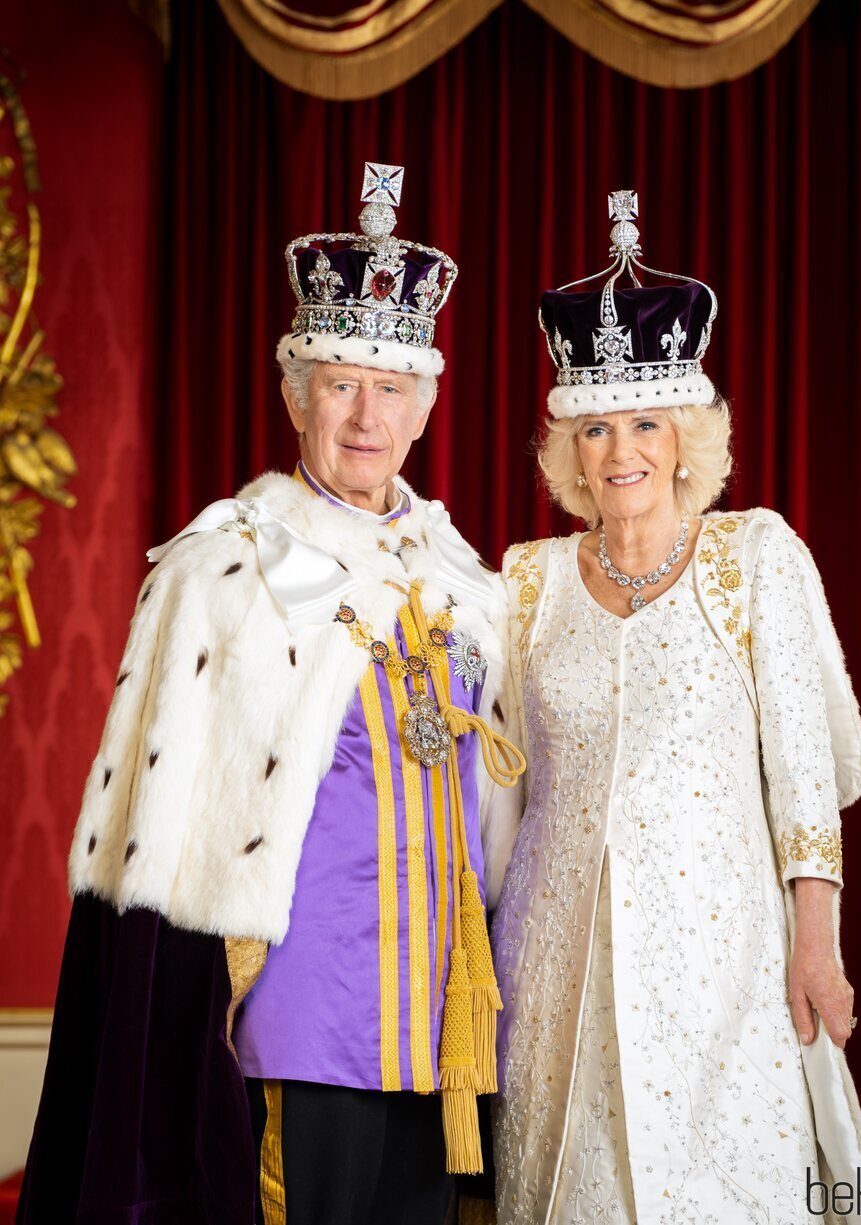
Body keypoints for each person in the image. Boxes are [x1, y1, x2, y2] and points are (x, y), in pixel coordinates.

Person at [17, 161, 523, 1225]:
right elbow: (152, 844)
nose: (363, 413)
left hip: (434, 1025)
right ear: (295, 393)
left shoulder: (463, 583)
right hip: (295, 1016)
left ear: (425, 405)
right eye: (338, 381)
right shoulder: (228, 567)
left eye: (389, 388)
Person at [490, 191, 861, 1223]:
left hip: (725, 967)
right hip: (554, 967)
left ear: (683, 437)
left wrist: (817, 942)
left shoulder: (754, 557)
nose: (617, 448)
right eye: (592, 426)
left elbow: (808, 769)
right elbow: (498, 779)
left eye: (642, 422)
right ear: (566, 445)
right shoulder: (524, 582)